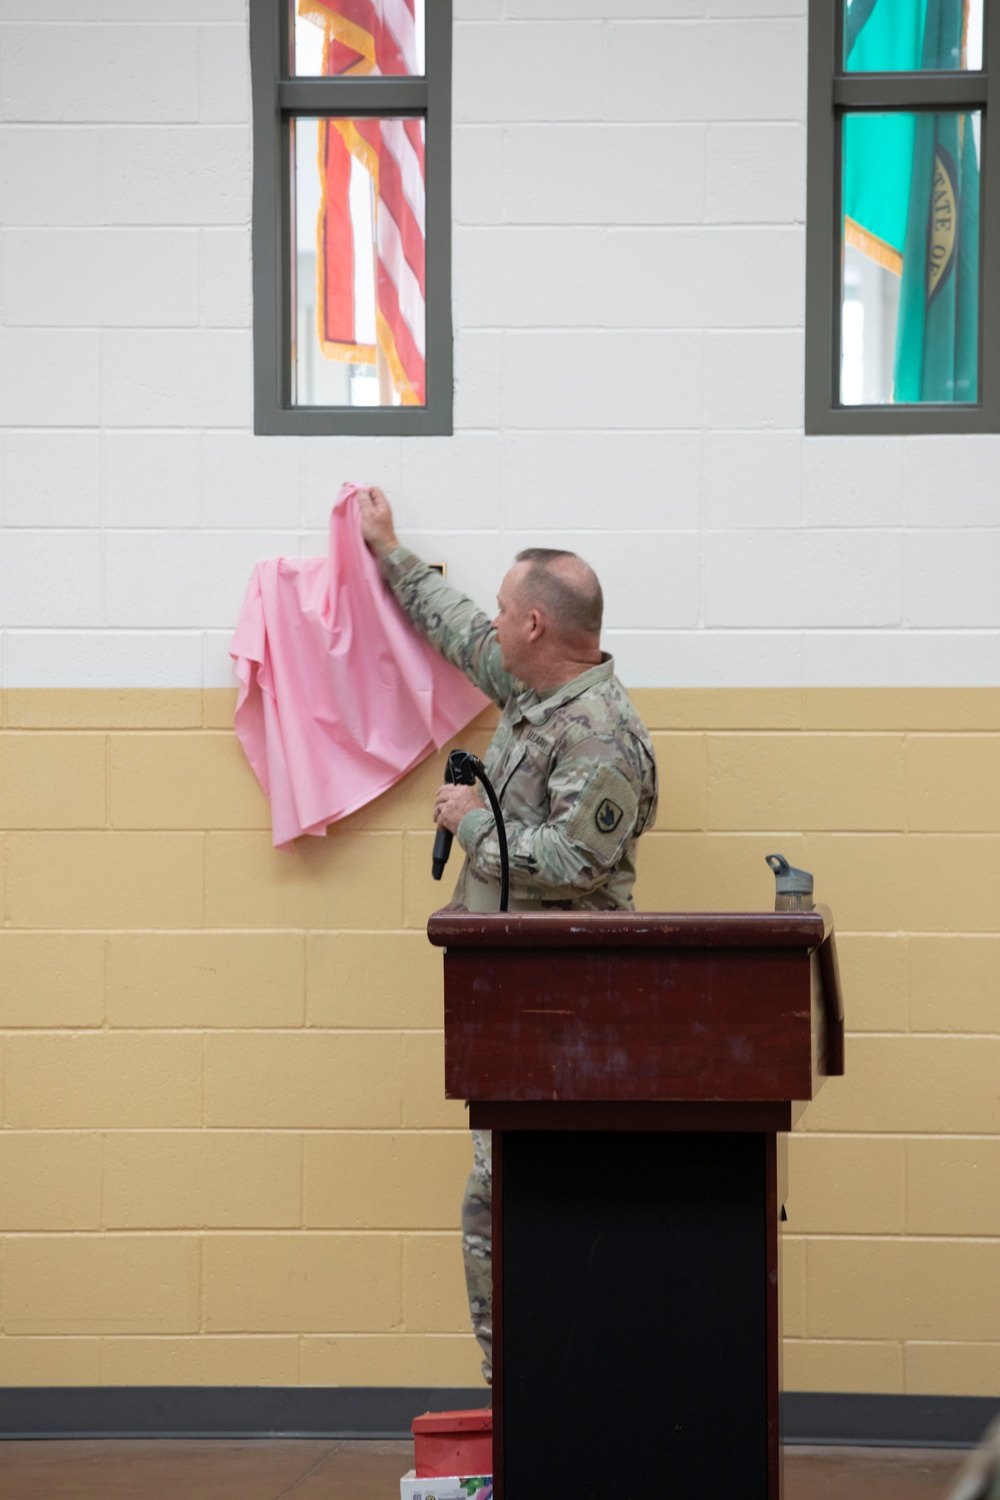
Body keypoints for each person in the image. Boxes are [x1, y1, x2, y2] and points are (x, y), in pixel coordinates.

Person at [358, 486, 659, 1386]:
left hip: (570, 1019)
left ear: (535, 623)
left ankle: (552, 1397)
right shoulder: (534, 692)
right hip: (514, 1011)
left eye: (503, 609)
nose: (491, 622)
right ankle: (529, 1401)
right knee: (503, 1204)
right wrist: (388, 552)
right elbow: (456, 629)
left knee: (515, 1207)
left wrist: (471, 818)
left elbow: (577, 861)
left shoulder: (601, 733)